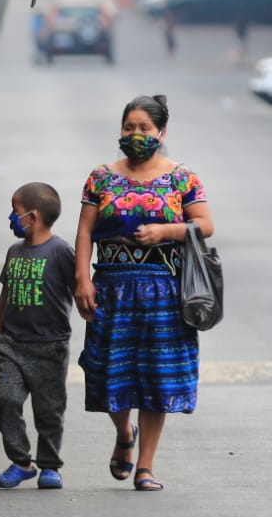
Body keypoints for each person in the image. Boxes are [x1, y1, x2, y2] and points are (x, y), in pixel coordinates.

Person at [73, 95, 213, 491]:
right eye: (129, 127)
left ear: (161, 133)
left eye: (144, 129)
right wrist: (82, 280)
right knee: (105, 371)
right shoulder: (100, 177)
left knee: (158, 378)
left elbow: (205, 224)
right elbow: (84, 231)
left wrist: (166, 232)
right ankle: (124, 433)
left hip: (164, 293)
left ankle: (146, 465)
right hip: (112, 291)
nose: (136, 135)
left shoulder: (182, 178)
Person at [0, 182, 77, 490]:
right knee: (4, 398)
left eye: (15, 211)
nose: (12, 218)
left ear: (33, 216)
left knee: (49, 409)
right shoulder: (14, 251)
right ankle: (20, 461)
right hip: (10, 344)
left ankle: (50, 466)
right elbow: (6, 292)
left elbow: (79, 288)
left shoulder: (62, 251)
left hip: (49, 345)